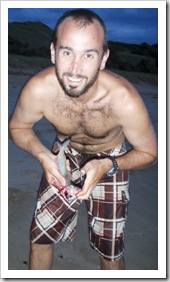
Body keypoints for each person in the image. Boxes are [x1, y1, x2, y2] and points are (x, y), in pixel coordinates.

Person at [9, 9, 157, 270]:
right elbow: (19, 127)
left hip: (110, 160)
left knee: (110, 249)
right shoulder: (39, 89)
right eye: (67, 52)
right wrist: (43, 155)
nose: (75, 69)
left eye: (88, 54)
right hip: (64, 154)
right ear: (53, 52)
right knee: (40, 236)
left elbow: (149, 152)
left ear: (103, 58)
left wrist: (107, 165)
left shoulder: (124, 99)